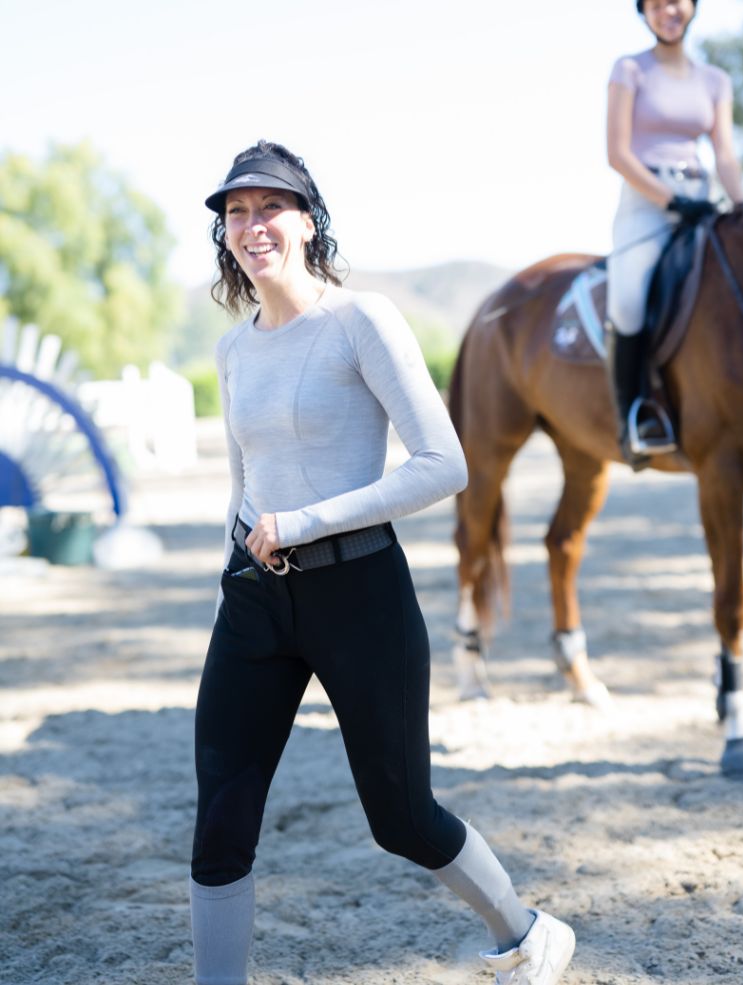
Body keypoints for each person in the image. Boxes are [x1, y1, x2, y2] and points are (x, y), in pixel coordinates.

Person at [189, 139, 576, 985]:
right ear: (223, 233)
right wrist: (233, 571)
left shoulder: (360, 321)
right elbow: (242, 479)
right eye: (236, 212)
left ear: (308, 220)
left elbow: (443, 464)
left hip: (359, 593)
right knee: (219, 818)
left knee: (400, 817)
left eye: (270, 207)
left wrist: (303, 520)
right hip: (255, 602)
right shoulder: (233, 349)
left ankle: (525, 930)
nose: (252, 225)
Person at [606, 0, 743, 466]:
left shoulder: (715, 81)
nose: (669, 10)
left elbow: (724, 153)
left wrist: (741, 210)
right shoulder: (630, 70)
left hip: (702, 200)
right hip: (646, 205)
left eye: (678, 1)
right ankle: (635, 417)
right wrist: (669, 200)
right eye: (657, 3)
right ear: (643, 12)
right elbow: (618, 154)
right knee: (627, 300)